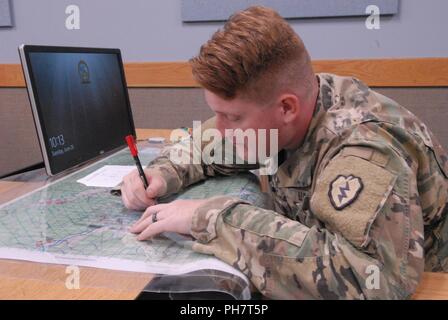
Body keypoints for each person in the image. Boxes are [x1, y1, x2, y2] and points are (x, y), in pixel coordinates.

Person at [121, 6, 448, 299]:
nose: (220, 129)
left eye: (233, 117)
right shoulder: (287, 111)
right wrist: (160, 175)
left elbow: (370, 281)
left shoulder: (362, 148)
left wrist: (210, 218)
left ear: (287, 108)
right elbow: (204, 145)